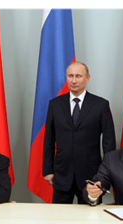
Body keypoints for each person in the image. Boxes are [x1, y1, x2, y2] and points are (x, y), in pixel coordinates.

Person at [43, 61, 116, 204]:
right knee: (59, 219)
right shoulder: (55, 104)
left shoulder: (101, 105)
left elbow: (109, 142)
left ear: (87, 78)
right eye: (70, 76)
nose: (74, 80)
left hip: (92, 174)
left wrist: (106, 174)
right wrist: (48, 169)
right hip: (62, 173)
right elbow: (49, 140)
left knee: (90, 219)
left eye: (78, 76)